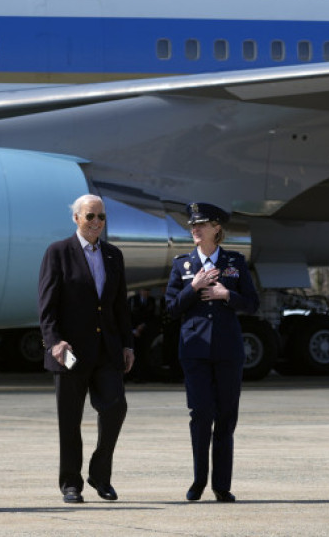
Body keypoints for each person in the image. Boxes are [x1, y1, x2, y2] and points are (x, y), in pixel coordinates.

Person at [38, 194, 134, 504]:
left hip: (107, 348)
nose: (96, 223)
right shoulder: (58, 253)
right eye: (90, 216)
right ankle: (71, 483)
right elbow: (47, 306)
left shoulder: (113, 255)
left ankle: (100, 473)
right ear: (76, 218)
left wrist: (127, 343)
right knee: (70, 419)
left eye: (101, 217)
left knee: (116, 406)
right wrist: (54, 341)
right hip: (69, 351)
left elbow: (120, 305)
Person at [164, 202, 259, 504]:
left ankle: (222, 485)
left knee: (226, 417)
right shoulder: (182, 265)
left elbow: (253, 303)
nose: (195, 229)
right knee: (201, 414)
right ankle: (198, 481)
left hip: (228, 351)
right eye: (193, 225)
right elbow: (170, 309)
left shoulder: (235, 262)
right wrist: (193, 287)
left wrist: (226, 295)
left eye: (201, 224)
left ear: (216, 228)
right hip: (194, 351)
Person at [127, 288, 157, 382]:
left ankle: (142, 376)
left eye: (148, 291)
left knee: (144, 355)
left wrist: (143, 326)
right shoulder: (132, 300)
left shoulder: (151, 300)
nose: (146, 292)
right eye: (144, 290)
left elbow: (151, 316)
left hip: (144, 331)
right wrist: (134, 330)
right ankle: (132, 375)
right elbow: (128, 316)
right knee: (133, 353)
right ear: (140, 291)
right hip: (133, 331)